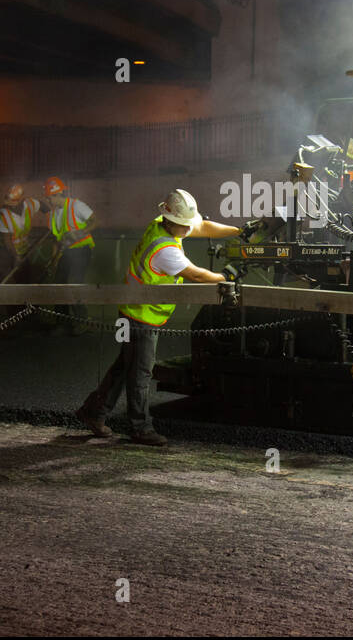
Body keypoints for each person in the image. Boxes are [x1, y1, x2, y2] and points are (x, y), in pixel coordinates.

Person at [75, 189, 241, 447]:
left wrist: (239, 232)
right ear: (171, 220)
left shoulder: (161, 223)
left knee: (124, 366)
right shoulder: (165, 251)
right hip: (141, 316)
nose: (188, 230)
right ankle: (140, 428)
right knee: (140, 373)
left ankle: (93, 412)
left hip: (133, 310)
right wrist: (226, 277)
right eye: (184, 226)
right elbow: (196, 275)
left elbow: (203, 226)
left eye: (188, 224)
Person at [39, 176, 96, 329]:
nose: (48, 201)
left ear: (58, 194)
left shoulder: (77, 206)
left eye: (49, 197)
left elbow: (95, 221)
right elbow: (55, 241)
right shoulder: (52, 215)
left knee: (74, 283)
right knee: (59, 284)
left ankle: (83, 321)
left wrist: (80, 233)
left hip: (82, 249)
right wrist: (54, 261)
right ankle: (61, 321)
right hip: (66, 252)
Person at [0, 183, 45, 283]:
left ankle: (25, 295)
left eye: (13, 202)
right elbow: (7, 240)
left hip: (22, 247)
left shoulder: (29, 204)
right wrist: (16, 256)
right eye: (8, 201)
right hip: (3, 249)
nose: (9, 205)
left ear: (21, 200)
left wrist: (53, 217)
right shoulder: (2, 216)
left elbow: (42, 205)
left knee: (24, 277)